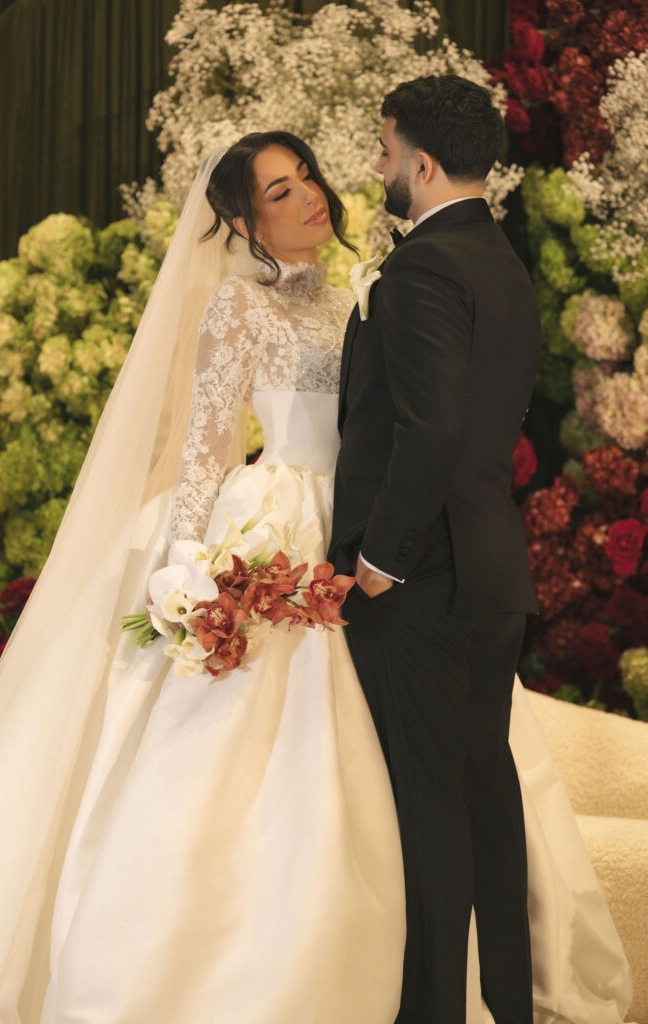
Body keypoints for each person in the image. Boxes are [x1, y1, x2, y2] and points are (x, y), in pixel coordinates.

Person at [0, 128, 632, 1024]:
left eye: (307, 175)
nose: (308, 195)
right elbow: (203, 453)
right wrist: (189, 574)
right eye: (279, 192)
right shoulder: (238, 310)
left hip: (376, 528)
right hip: (279, 525)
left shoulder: (367, 285)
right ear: (243, 221)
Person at [327, 73, 628, 1024]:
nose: (376, 167)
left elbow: (429, 433)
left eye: (381, 151)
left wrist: (378, 560)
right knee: (483, 790)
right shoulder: (497, 255)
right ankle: (503, 996)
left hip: (425, 576)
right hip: (491, 569)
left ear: (418, 163)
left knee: (432, 805)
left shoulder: (420, 270)